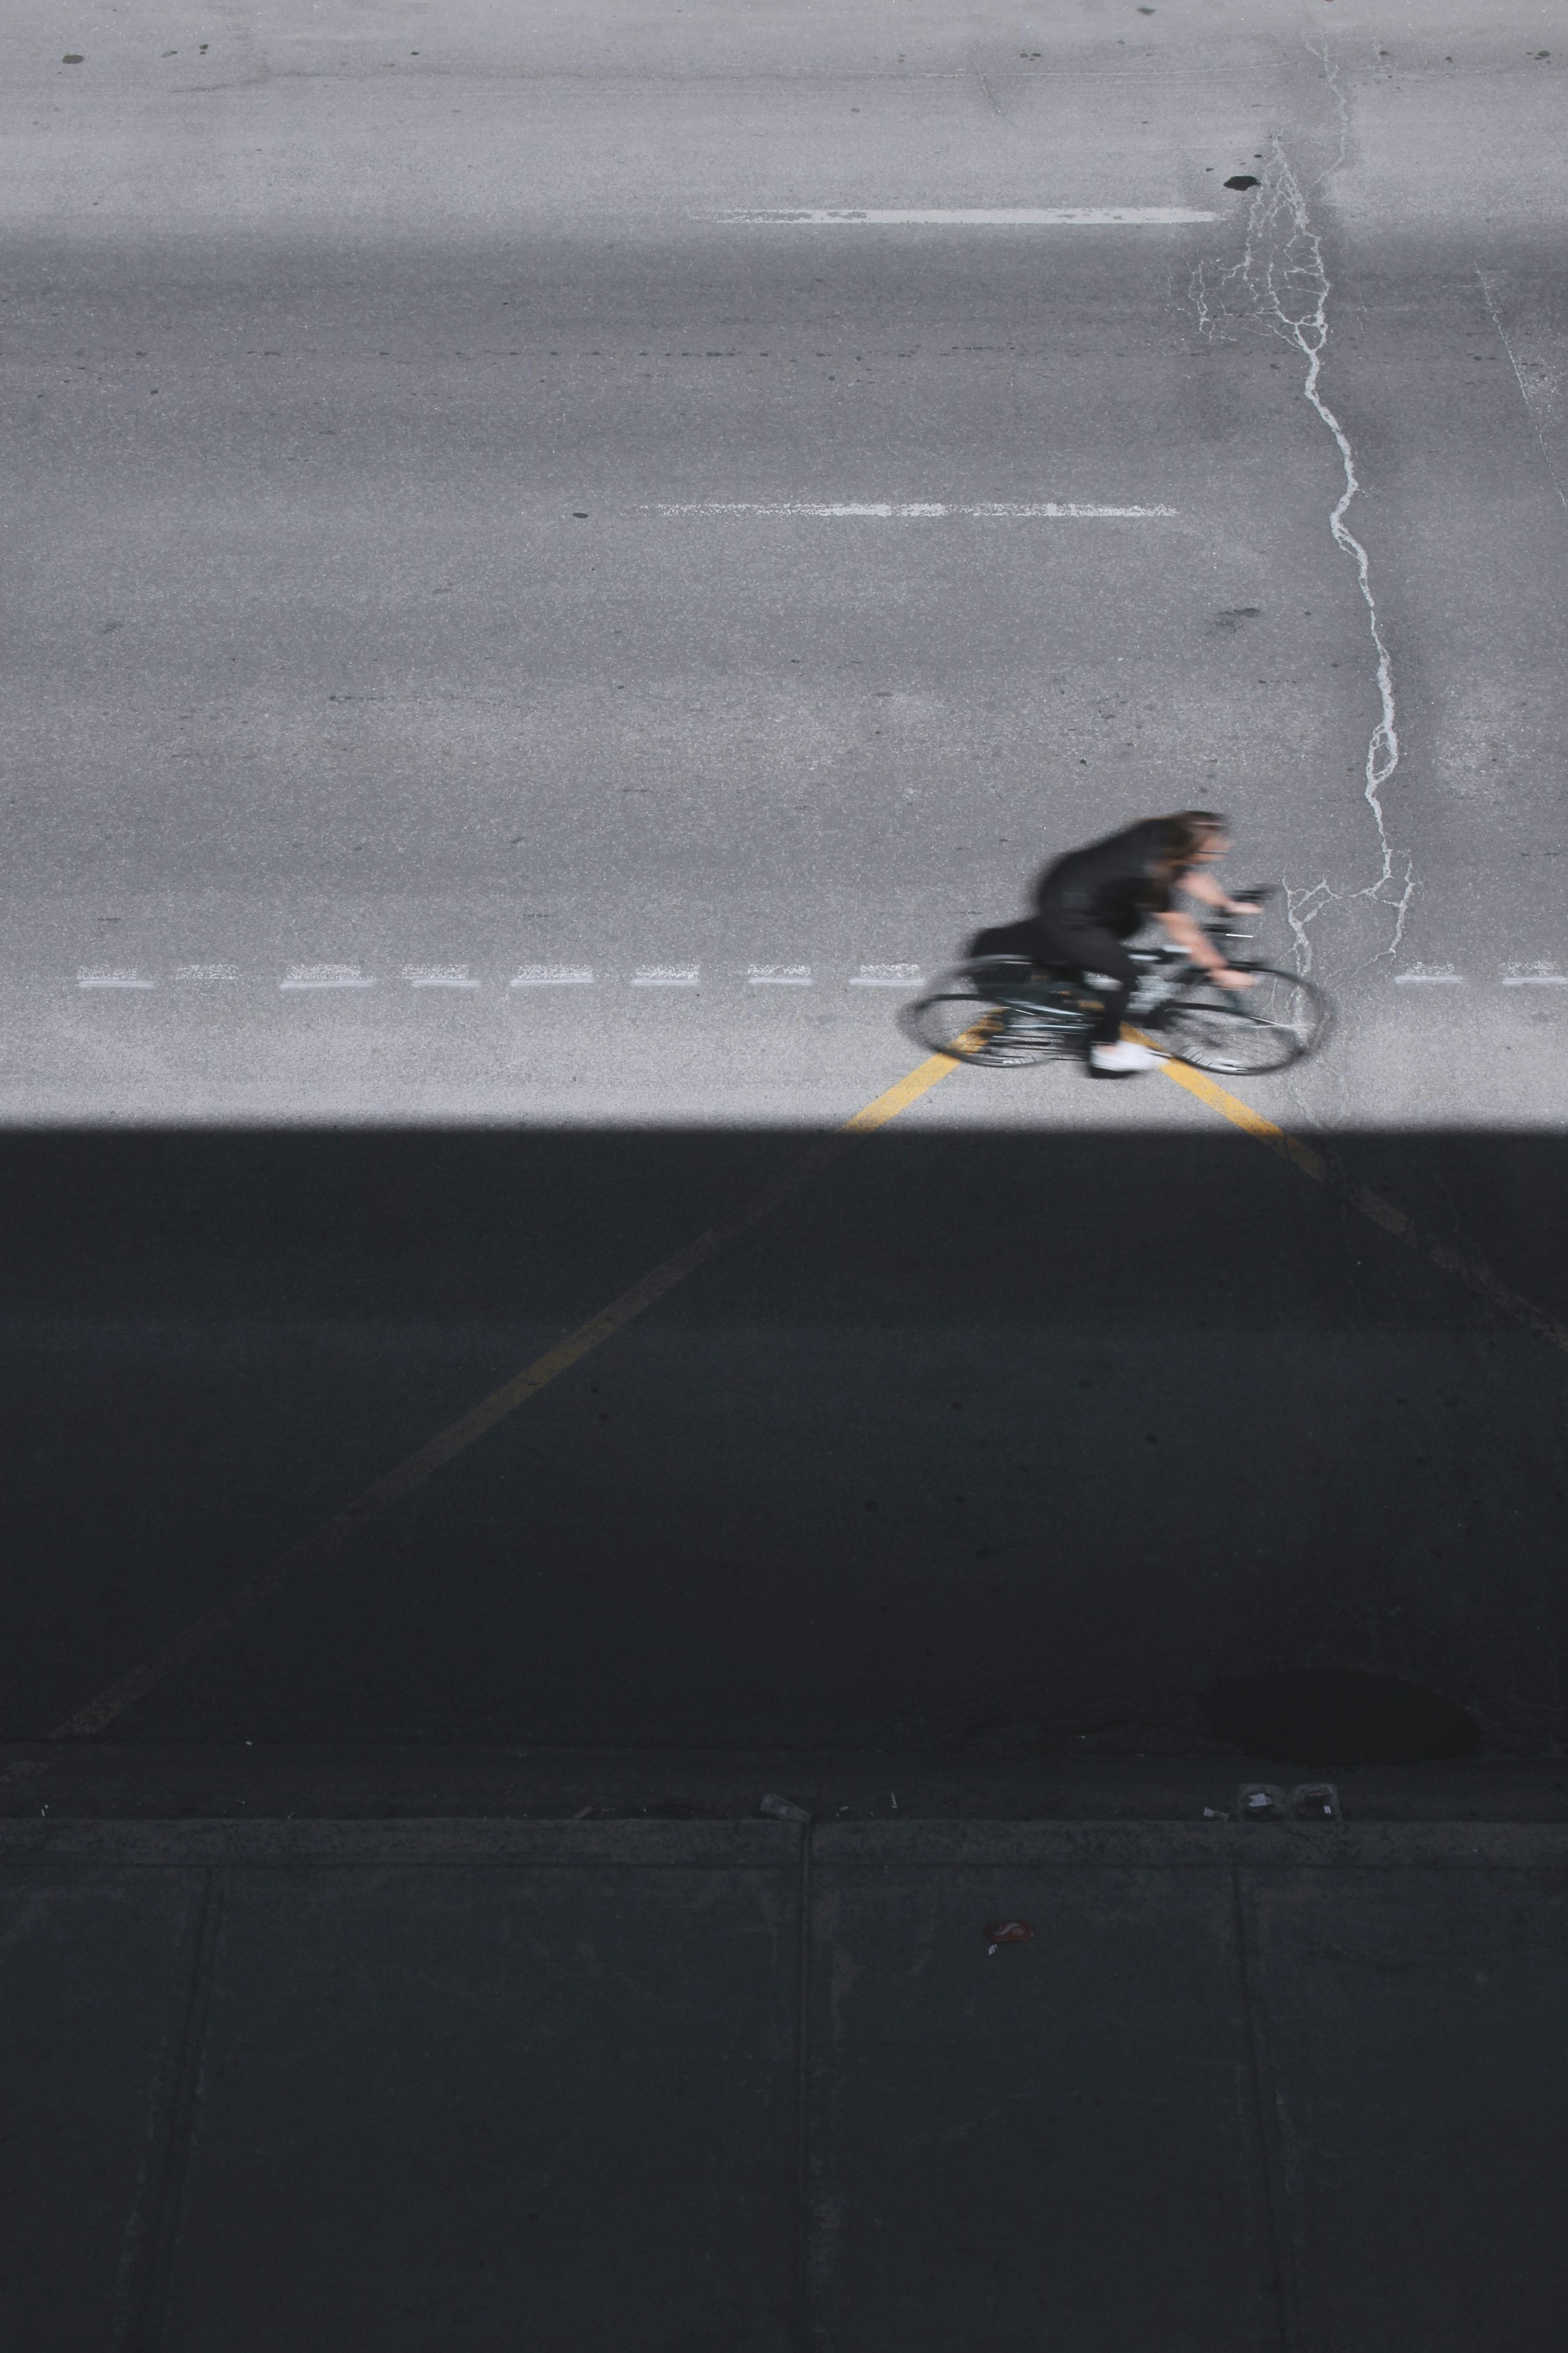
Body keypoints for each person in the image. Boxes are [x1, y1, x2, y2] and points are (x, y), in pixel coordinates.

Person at [971, 812, 1260, 1076]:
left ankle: (1072, 974)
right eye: (1210, 850)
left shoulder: (1162, 831)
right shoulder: (1153, 873)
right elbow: (1184, 931)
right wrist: (1220, 971)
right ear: (1189, 848)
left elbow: (1189, 875)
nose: (1219, 852)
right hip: (1068, 912)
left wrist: (1227, 903)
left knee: (1133, 923)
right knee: (1127, 975)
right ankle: (1105, 1048)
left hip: (1069, 880)